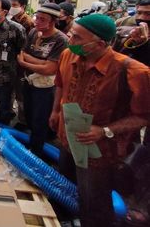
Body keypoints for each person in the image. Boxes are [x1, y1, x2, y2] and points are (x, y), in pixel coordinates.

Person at [50, 13, 149, 227]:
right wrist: (56, 110)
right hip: (68, 139)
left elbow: (143, 116)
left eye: (77, 37)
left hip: (100, 151)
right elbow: (59, 83)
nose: (70, 40)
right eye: (71, 34)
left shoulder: (132, 71)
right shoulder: (68, 55)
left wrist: (105, 131)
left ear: (101, 44)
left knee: (94, 203)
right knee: (63, 187)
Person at [17, 3, 68, 157]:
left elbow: (51, 70)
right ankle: (34, 142)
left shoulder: (60, 40)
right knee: (30, 115)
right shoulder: (33, 32)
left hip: (45, 87)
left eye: (42, 19)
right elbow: (22, 52)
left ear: (53, 21)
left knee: (41, 119)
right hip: (29, 81)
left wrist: (25, 63)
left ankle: (36, 154)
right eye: (37, 18)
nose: (37, 21)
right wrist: (42, 62)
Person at [113, 0, 150, 66]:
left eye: (148, 14)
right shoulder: (126, 32)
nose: (141, 17)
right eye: (139, 13)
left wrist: (143, 44)